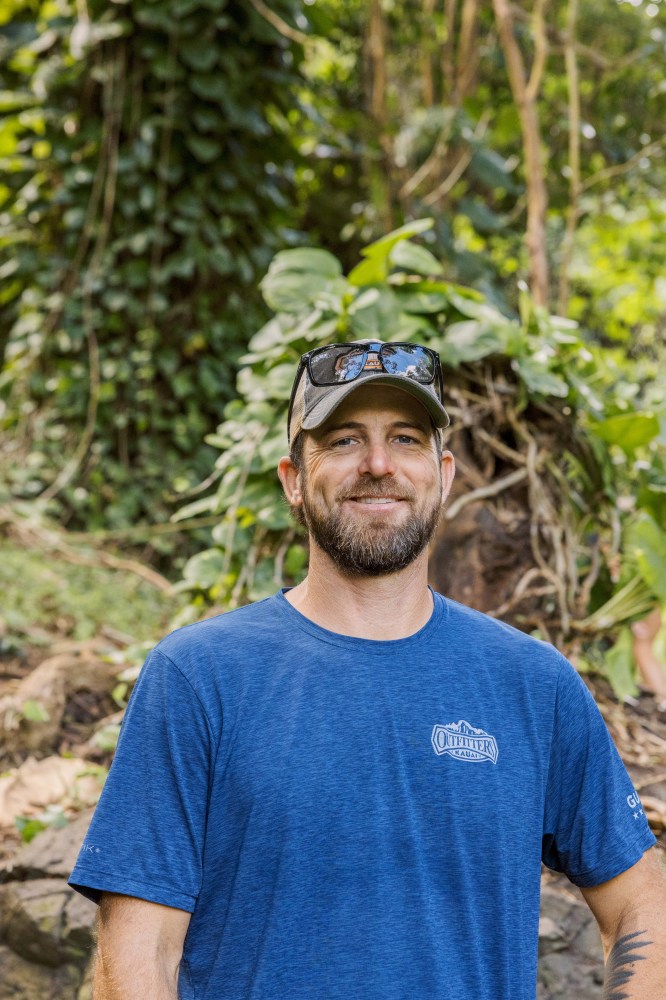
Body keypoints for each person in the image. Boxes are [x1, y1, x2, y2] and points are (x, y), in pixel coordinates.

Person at [70, 340, 665, 1000]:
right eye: (345, 440)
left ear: (443, 474)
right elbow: (140, 951)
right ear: (293, 479)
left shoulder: (533, 684)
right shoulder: (198, 677)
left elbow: (641, 903)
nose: (378, 464)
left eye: (405, 438)